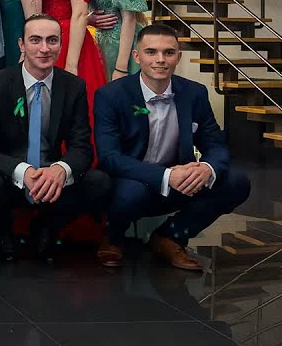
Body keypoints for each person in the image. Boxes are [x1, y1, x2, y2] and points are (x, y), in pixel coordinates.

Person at [95, 25, 251, 270]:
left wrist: (207, 168)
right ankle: (113, 236)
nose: (160, 60)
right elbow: (109, 157)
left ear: (178, 57)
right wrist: (166, 175)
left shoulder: (194, 92)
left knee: (236, 182)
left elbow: (215, 144)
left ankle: (170, 237)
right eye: (151, 52)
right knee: (130, 192)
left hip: (180, 181)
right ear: (137, 56)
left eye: (168, 52)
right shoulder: (111, 95)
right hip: (133, 180)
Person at [0, 15, 112, 264]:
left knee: (99, 182)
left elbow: (82, 147)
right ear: (21, 45)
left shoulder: (74, 86)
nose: (44, 48)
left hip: (50, 176)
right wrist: (21, 171)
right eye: (35, 40)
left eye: (52, 40)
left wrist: (61, 169)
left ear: (60, 44)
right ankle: (2, 232)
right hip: (9, 174)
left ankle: (47, 227)